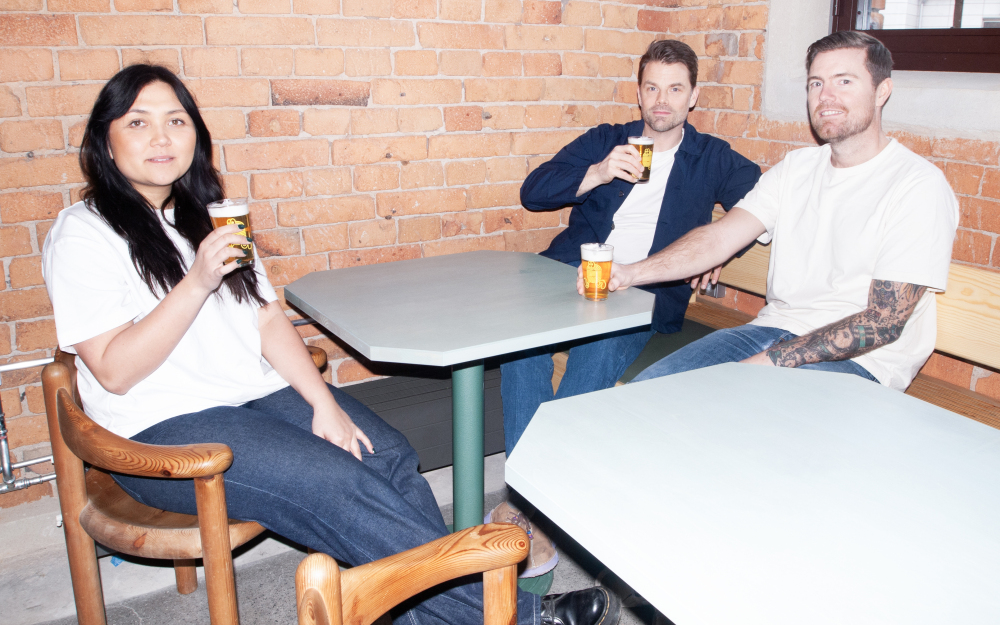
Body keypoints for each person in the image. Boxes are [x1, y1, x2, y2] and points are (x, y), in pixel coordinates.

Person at [42, 65, 620, 625]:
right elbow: (114, 371)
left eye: (176, 120)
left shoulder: (207, 217)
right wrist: (196, 282)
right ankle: (514, 617)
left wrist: (324, 404)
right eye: (138, 122)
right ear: (105, 140)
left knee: (387, 455)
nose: (162, 137)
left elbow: (266, 319)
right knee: (337, 486)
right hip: (161, 429)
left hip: (251, 397)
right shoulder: (84, 232)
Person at [492, 40, 760, 575]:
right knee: (521, 350)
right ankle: (533, 497)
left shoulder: (712, 156)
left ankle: (532, 509)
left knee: (596, 352)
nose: (662, 100)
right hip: (570, 276)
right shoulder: (607, 140)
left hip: (644, 293)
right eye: (652, 87)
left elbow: (766, 203)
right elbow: (532, 192)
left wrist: (722, 251)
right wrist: (596, 172)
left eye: (675, 89)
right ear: (639, 93)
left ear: (693, 97)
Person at [600, 31, 958, 388]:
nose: (826, 96)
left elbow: (883, 323)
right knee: (647, 393)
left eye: (844, 81)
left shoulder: (916, 185)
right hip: (768, 331)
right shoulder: (797, 168)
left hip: (862, 363)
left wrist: (767, 362)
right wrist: (630, 274)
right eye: (816, 83)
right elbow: (719, 239)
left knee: (732, 410)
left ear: (882, 91)